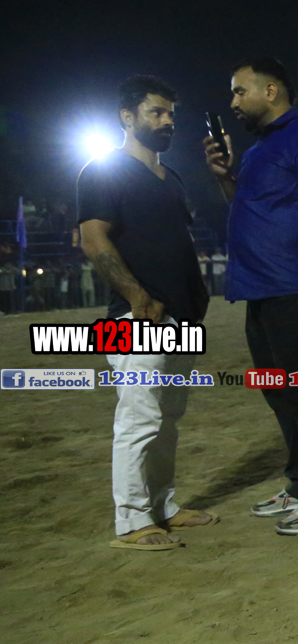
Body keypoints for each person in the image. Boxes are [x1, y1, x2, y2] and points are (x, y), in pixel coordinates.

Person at [204, 57, 298, 535]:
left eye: (239, 91)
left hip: (295, 287)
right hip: (259, 290)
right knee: (279, 392)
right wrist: (225, 176)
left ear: (270, 91)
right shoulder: (257, 149)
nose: (233, 101)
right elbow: (251, 208)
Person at [77, 75, 217, 550]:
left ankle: (162, 506)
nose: (167, 121)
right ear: (127, 116)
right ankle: (132, 521)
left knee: (167, 419)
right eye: (156, 112)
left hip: (180, 318)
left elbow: (177, 241)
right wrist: (138, 297)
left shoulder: (170, 178)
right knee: (139, 420)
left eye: (171, 114)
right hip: (134, 318)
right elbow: (93, 240)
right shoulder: (103, 171)